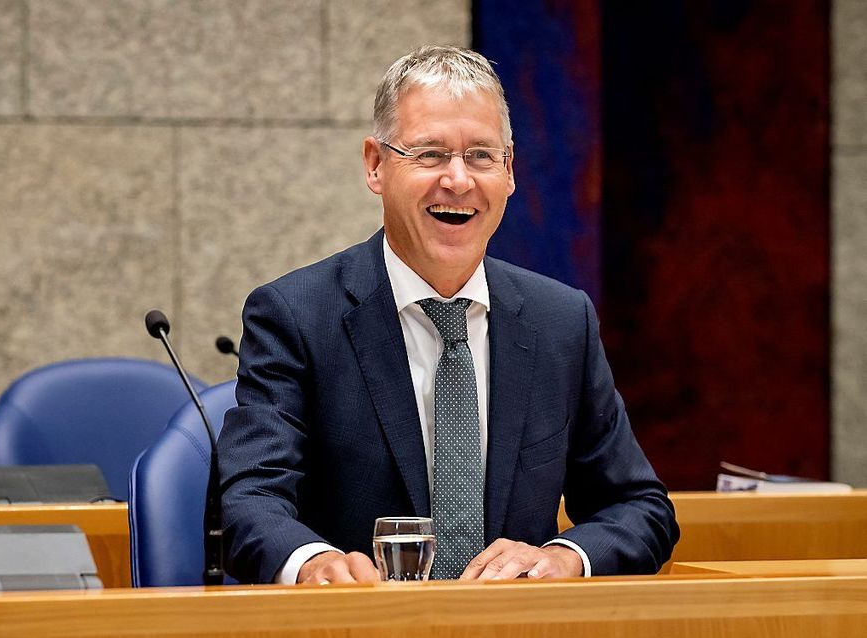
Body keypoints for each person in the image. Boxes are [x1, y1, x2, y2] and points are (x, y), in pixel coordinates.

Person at [218, 45, 679, 585]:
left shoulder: (561, 321)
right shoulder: (295, 315)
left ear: (509, 172)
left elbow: (640, 508)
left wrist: (563, 556)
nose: (458, 181)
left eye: (482, 156)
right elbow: (250, 501)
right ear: (375, 165)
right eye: (430, 154)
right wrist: (312, 563)